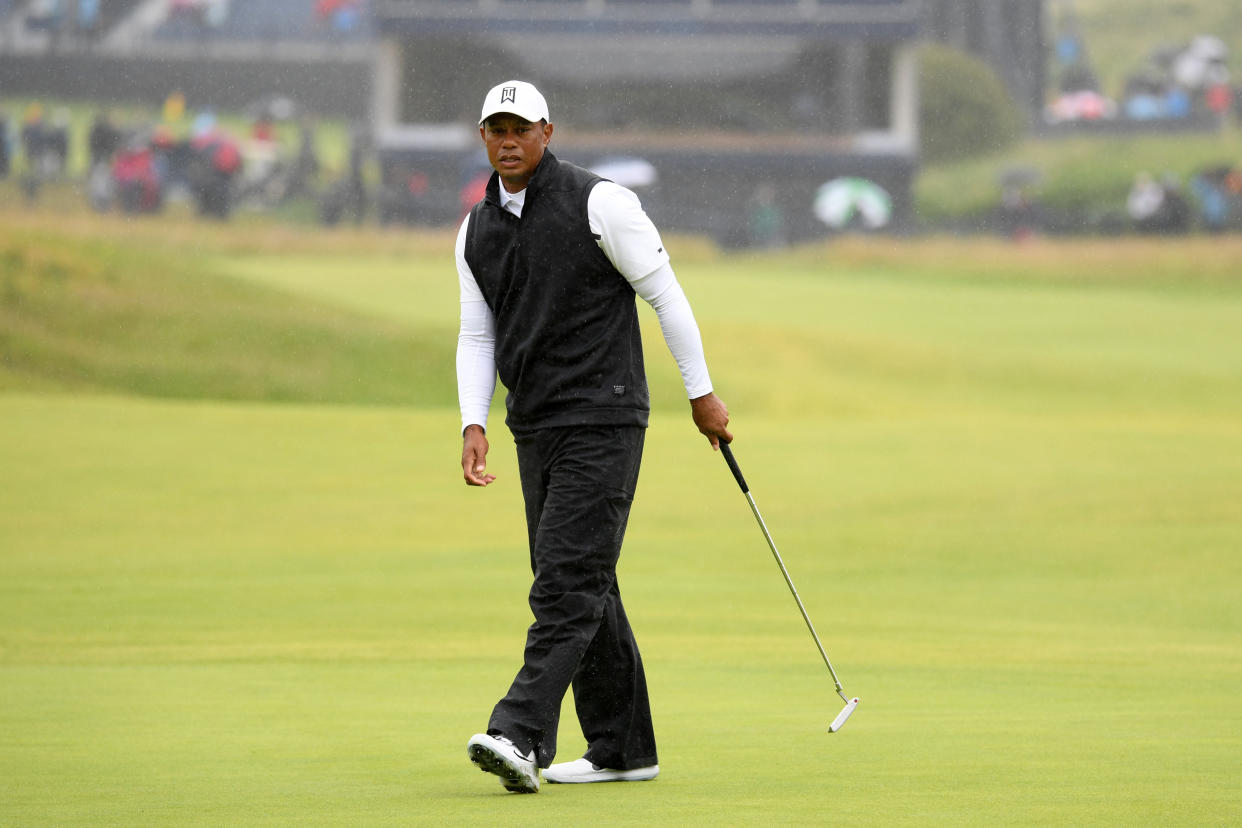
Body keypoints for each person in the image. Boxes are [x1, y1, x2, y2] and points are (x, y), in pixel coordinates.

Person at [457, 80, 731, 794]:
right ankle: (622, 747)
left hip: (604, 416)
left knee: (565, 581)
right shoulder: (475, 228)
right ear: (483, 136)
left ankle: (519, 733)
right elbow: (477, 330)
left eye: (521, 128)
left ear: (548, 131)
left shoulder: (601, 202)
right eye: (496, 129)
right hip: (534, 421)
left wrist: (700, 394)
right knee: (585, 580)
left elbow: (666, 294)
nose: (508, 140)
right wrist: (473, 419)